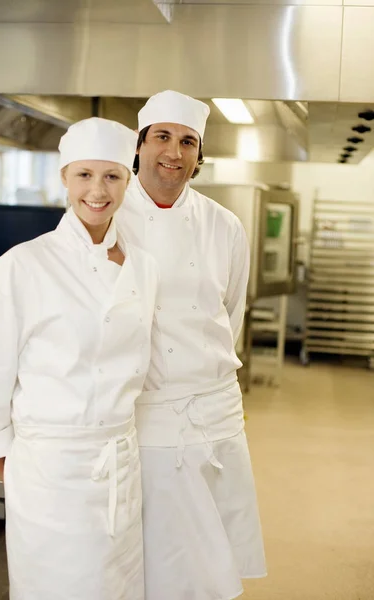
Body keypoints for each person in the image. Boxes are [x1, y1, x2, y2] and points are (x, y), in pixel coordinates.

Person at [0, 117, 159, 600]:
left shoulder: (144, 267)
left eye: (112, 175)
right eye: (85, 175)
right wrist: (11, 462)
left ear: (129, 181)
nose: (98, 190)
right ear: (65, 179)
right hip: (49, 471)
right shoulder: (23, 265)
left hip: (119, 463)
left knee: (119, 586)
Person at [116, 90, 267, 600]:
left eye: (187, 141)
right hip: (148, 416)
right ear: (138, 146)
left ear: (198, 155)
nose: (173, 153)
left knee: (214, 556)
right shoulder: (105, 220)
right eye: (162, 137)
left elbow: (231, 316)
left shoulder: (225, 225)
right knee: (161, 558)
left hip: (217, 410)